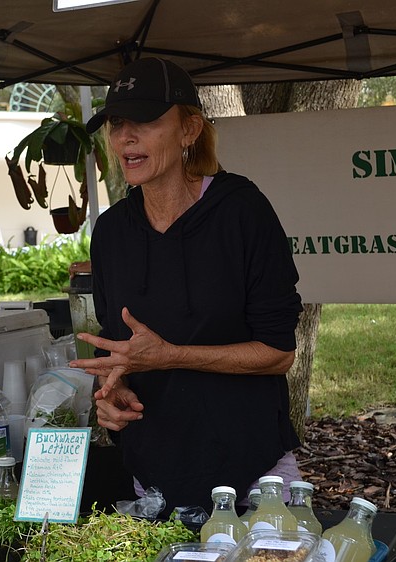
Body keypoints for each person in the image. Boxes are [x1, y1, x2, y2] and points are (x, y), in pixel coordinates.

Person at [71, 57, 304, 517]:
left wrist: (172, 355)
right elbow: (118, 347)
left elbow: (279, 353)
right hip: (153, 479)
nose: (126, 137)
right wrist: (113, 393)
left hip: (251, 473)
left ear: (189, 129)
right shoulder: (112, 232)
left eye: (146, 121)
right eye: (117, 123)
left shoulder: (241, 212)